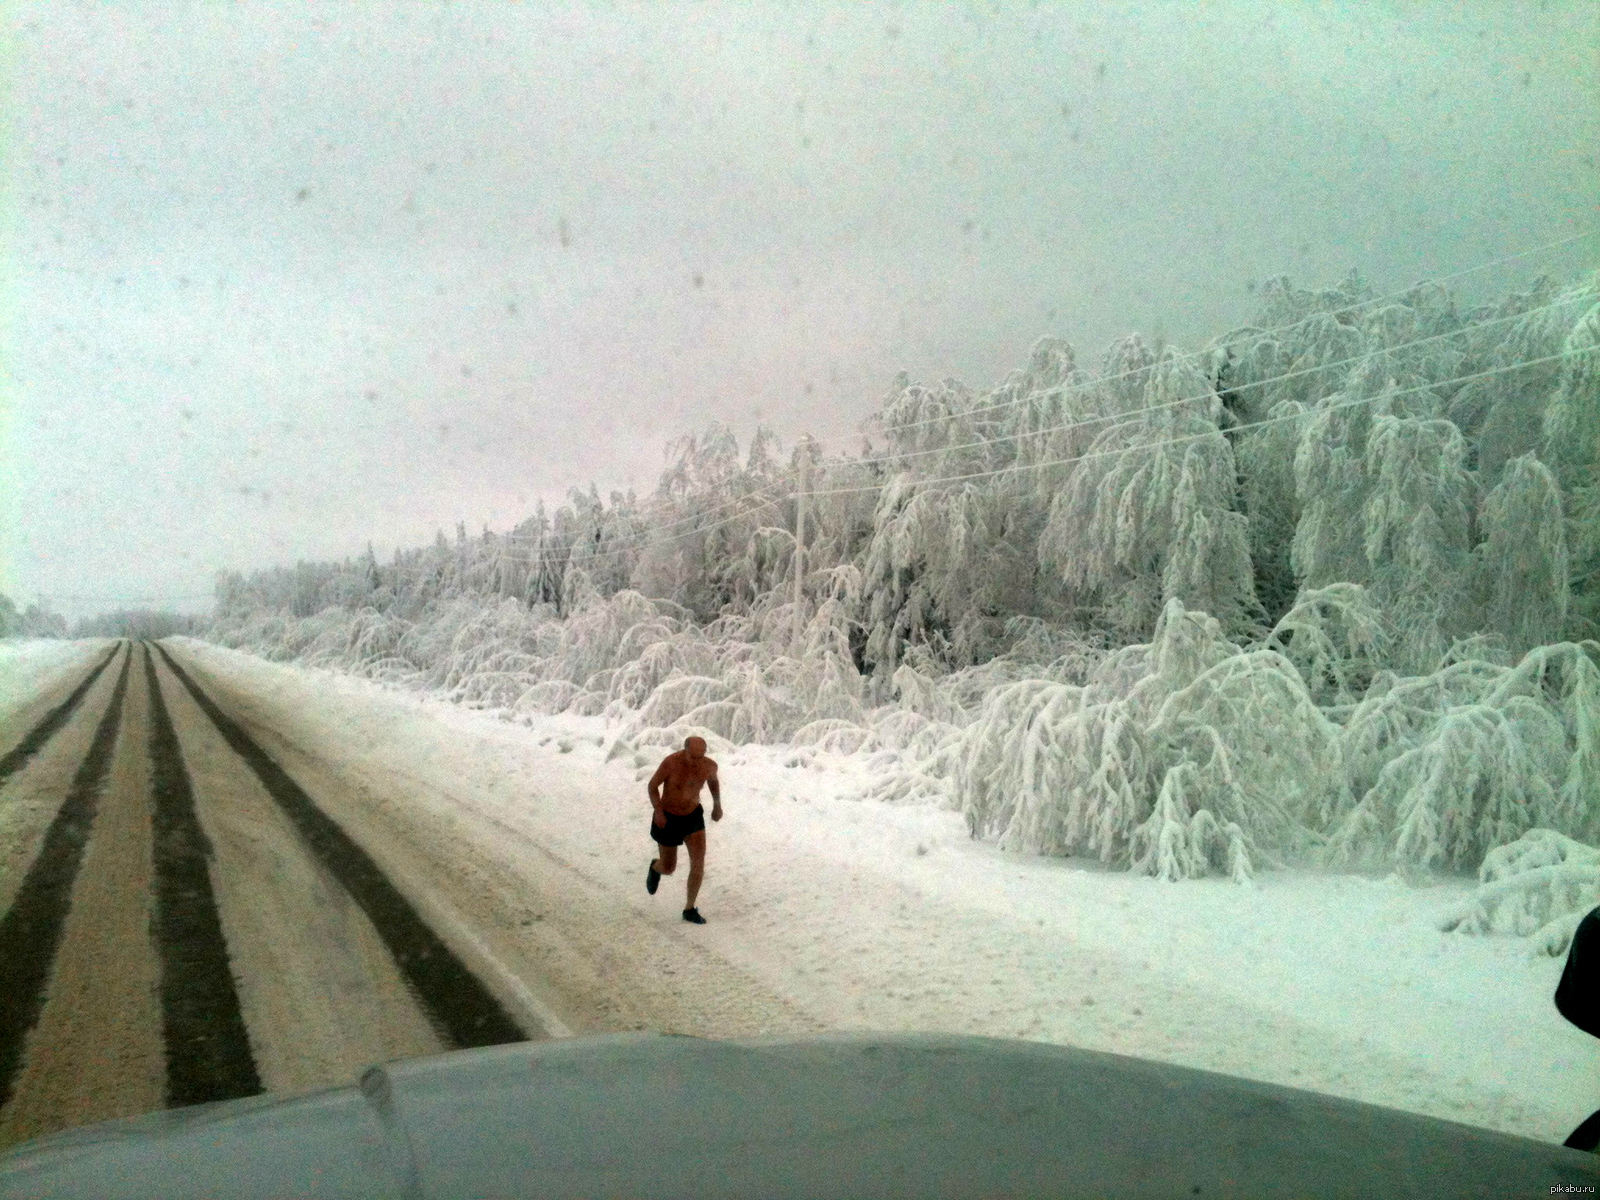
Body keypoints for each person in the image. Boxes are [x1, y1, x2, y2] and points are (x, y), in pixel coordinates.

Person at [645, 735, 722, 923]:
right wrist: (658, 812)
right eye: (693, 757)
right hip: (668, 817)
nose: (697, 761)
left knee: (698, 862)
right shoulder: (671, 763)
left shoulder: (709, 765)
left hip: (692, 816)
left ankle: (689, 908)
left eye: (700, 756)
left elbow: (713, 781)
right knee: (669, 867)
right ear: (684, 750)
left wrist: (717, 805)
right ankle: (656, 868)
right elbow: (653, 786)